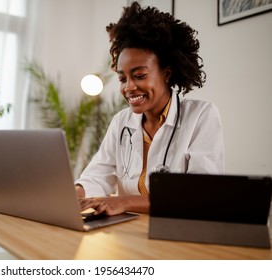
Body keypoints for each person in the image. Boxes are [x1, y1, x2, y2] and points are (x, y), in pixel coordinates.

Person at [75, 2, 224, 216]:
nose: (129, 87)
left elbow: (199, 195)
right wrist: (76, 194)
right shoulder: (121, 121)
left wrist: (124, 202)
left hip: (176, 232)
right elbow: (97, 176)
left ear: (167, 73)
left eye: (139, 75)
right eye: (122, 78)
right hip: (129, 231)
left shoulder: (201, 115)